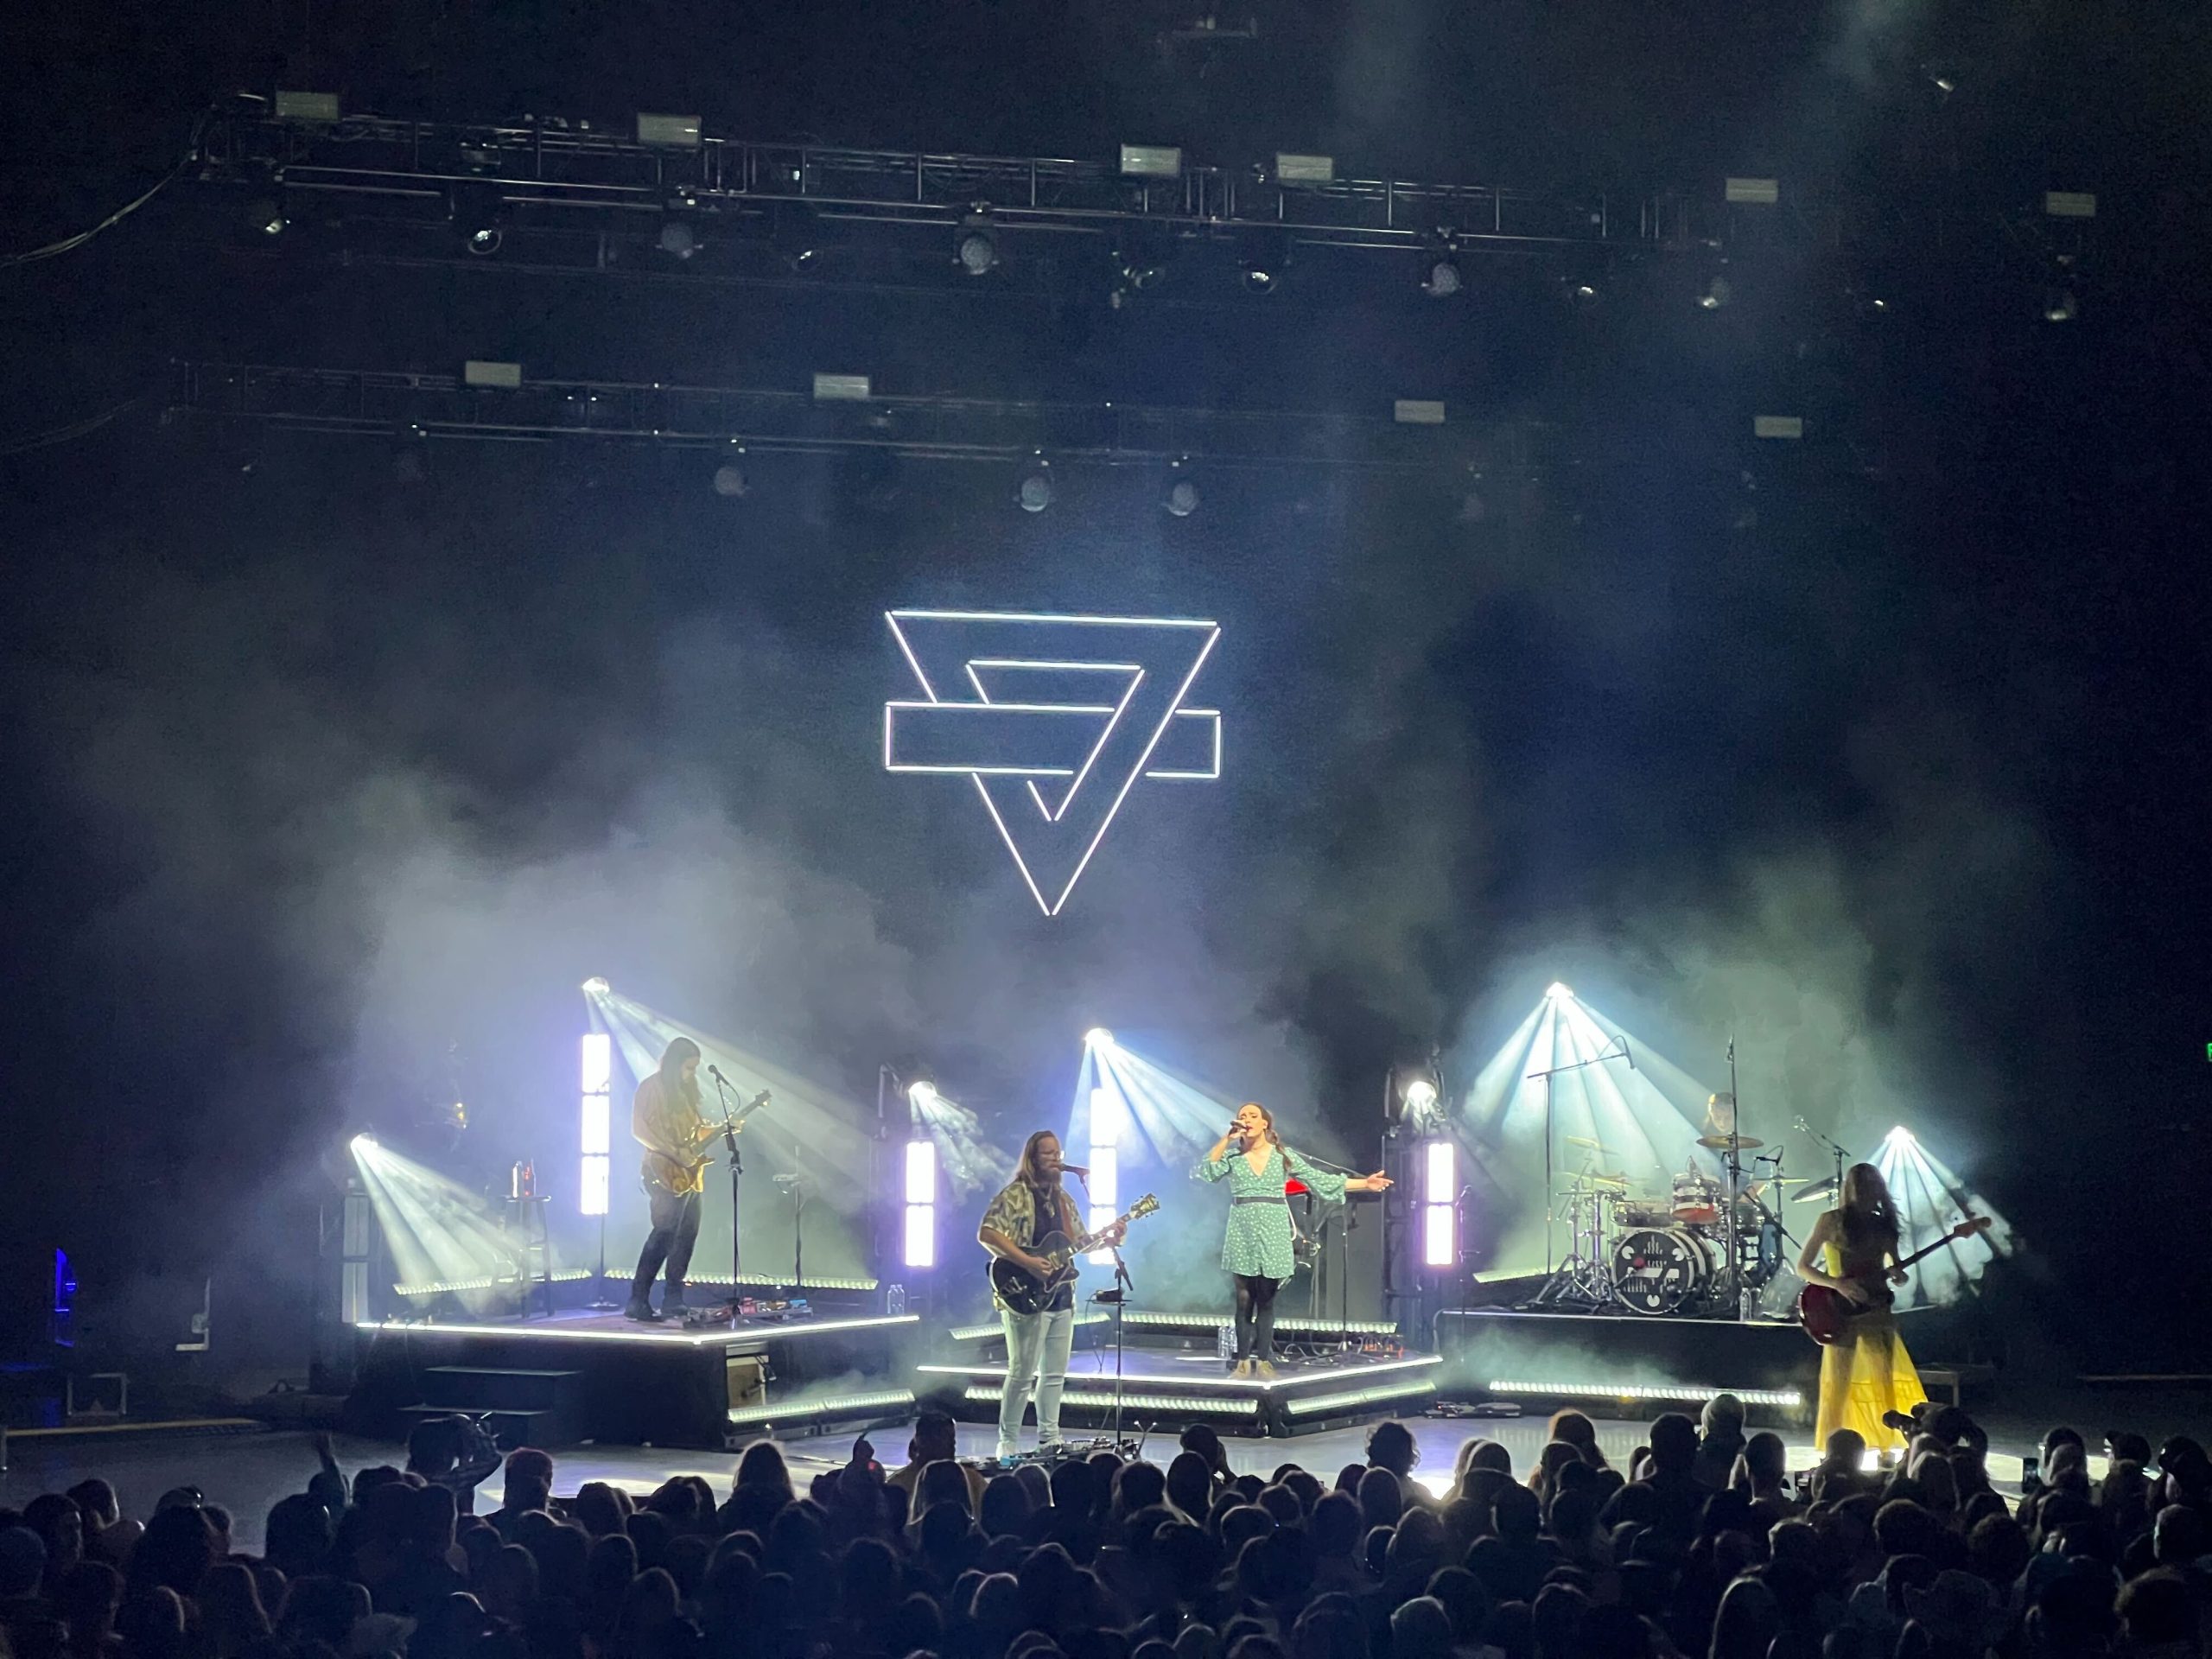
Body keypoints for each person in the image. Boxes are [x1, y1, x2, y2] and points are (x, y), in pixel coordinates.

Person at [1192, 1103, 1390, 1378]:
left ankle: (1263, 1361)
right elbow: (1207, 1171)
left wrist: (1364, 1184)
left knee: (1266, 1299)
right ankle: (1242, 1362)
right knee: (1244, 1299)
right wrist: (1226, 1139)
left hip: (1273, 1230)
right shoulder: (1233, 1158)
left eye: (1253, 1116)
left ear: (1265, 1124)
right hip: (1242, 1229)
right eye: (1242, 1116)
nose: (1246, 1119)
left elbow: (1318, 1179)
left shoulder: (1283, 1157)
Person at [977, 1130, 1121, 1461]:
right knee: (1022, 1372)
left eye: (1058, 1153)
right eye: (1048, 1154)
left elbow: (1082, 1242)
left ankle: (1050, 1438)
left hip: (1061, 1294)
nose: (1056, 1159)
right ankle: (1008, 1442)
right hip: (1023, 1292)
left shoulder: (1064, 1199)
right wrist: (1027, 1261)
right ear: (1033, 1158)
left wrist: (1111, 1239)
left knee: (1055, 1373)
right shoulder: (1015, 1194)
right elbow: (987, 1233)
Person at [1796, 1161, 1928, 1457]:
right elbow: (1803, 1267)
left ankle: (1885, 1450)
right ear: (1850, 1190)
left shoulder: (1884, 1226)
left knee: (1883, 1380)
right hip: (1841, 1312)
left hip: (1877, 1310)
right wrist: (1837, 1284)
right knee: (1839, 1384)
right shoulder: (1831, 1221)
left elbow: (1894, 1267)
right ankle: (1833, 1452)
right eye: (1862, 1187)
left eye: (1872, 1187)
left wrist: (1899, 1275)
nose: (1867, 1193)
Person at [626, 1036, 717, 1322]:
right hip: (662, 1171)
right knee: (664, 1233)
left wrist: (724, 1129)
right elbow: (640, 1130)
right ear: (675, 1064)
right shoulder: (651, 1088)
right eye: (689, 1067)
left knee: (686, 1236)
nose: (692, 1073)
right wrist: (675, 1153)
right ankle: (638, 1299)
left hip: (690, 1175)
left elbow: (694, 1134)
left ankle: (673, 1299)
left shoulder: (687, 1093)